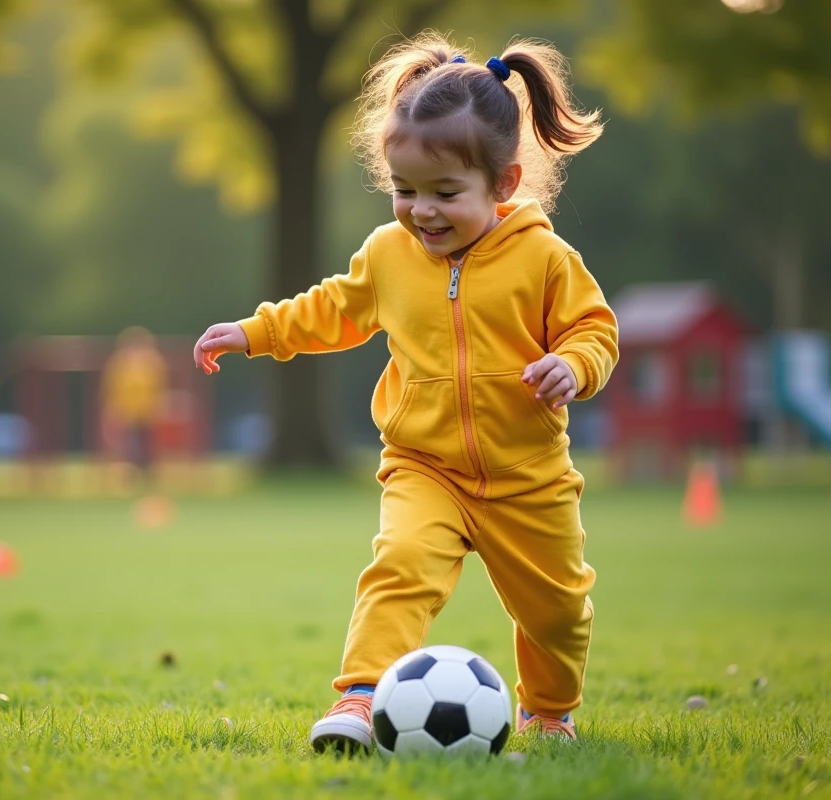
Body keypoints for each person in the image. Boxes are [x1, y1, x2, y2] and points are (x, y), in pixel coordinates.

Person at [192, 32, 619, 752]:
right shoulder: (390, 255)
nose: (421, 211)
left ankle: (548, 711)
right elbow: (331, 309)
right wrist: (253, 332)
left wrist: (573, 366)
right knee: (398, 569)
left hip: (528, 477)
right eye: (404, 190)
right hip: (425, 464)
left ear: (505, 185)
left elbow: (596, 331)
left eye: (445, 193)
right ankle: (362, 699)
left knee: (558, 610)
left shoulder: (546, 257)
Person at [101, 326, 168, 483]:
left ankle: (148, 476)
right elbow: (110, 388)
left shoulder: (153, 362)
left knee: (148, 447)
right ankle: (132, 477)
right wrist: (113, 410)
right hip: (127, 412)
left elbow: (159, 387)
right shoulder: (119, 364)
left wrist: (157, 408)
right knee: (129, 446)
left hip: (147, 412)